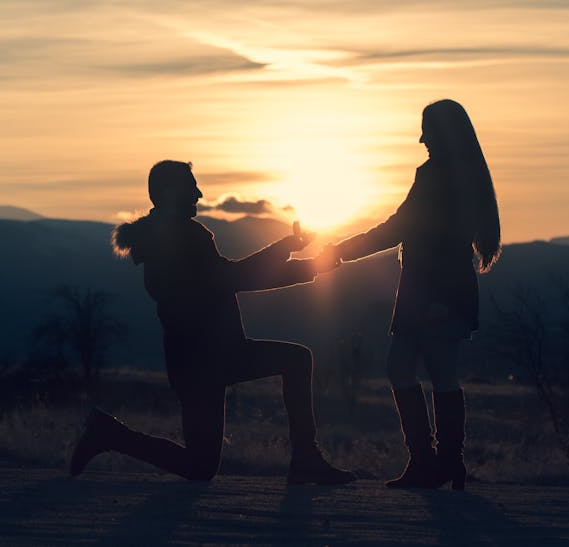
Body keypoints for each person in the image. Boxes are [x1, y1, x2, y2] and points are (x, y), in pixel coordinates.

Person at [69, 160, 355, 484]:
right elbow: (232, 278)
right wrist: (311, 267)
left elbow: (227, 274)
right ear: (170, 193)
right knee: (297, 360)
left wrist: (286, 248)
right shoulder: (185, 237)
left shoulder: (166, 237)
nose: (200, 194)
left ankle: (109, 434)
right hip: (212, 358)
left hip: (196, 360)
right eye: (192, 187)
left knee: (200, 466)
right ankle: (305, 459)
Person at [334, 99, 501, 490]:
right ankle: (434, 463)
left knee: (431, 372)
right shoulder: (451, 175)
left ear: (443, 132)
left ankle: (440, 463)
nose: (421, 137)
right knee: (407, 369)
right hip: (426, 290)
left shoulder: (440, 177)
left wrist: (342, 249)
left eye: (427, 128)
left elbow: (400, 228)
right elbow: (405, 228)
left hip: (436, 290)